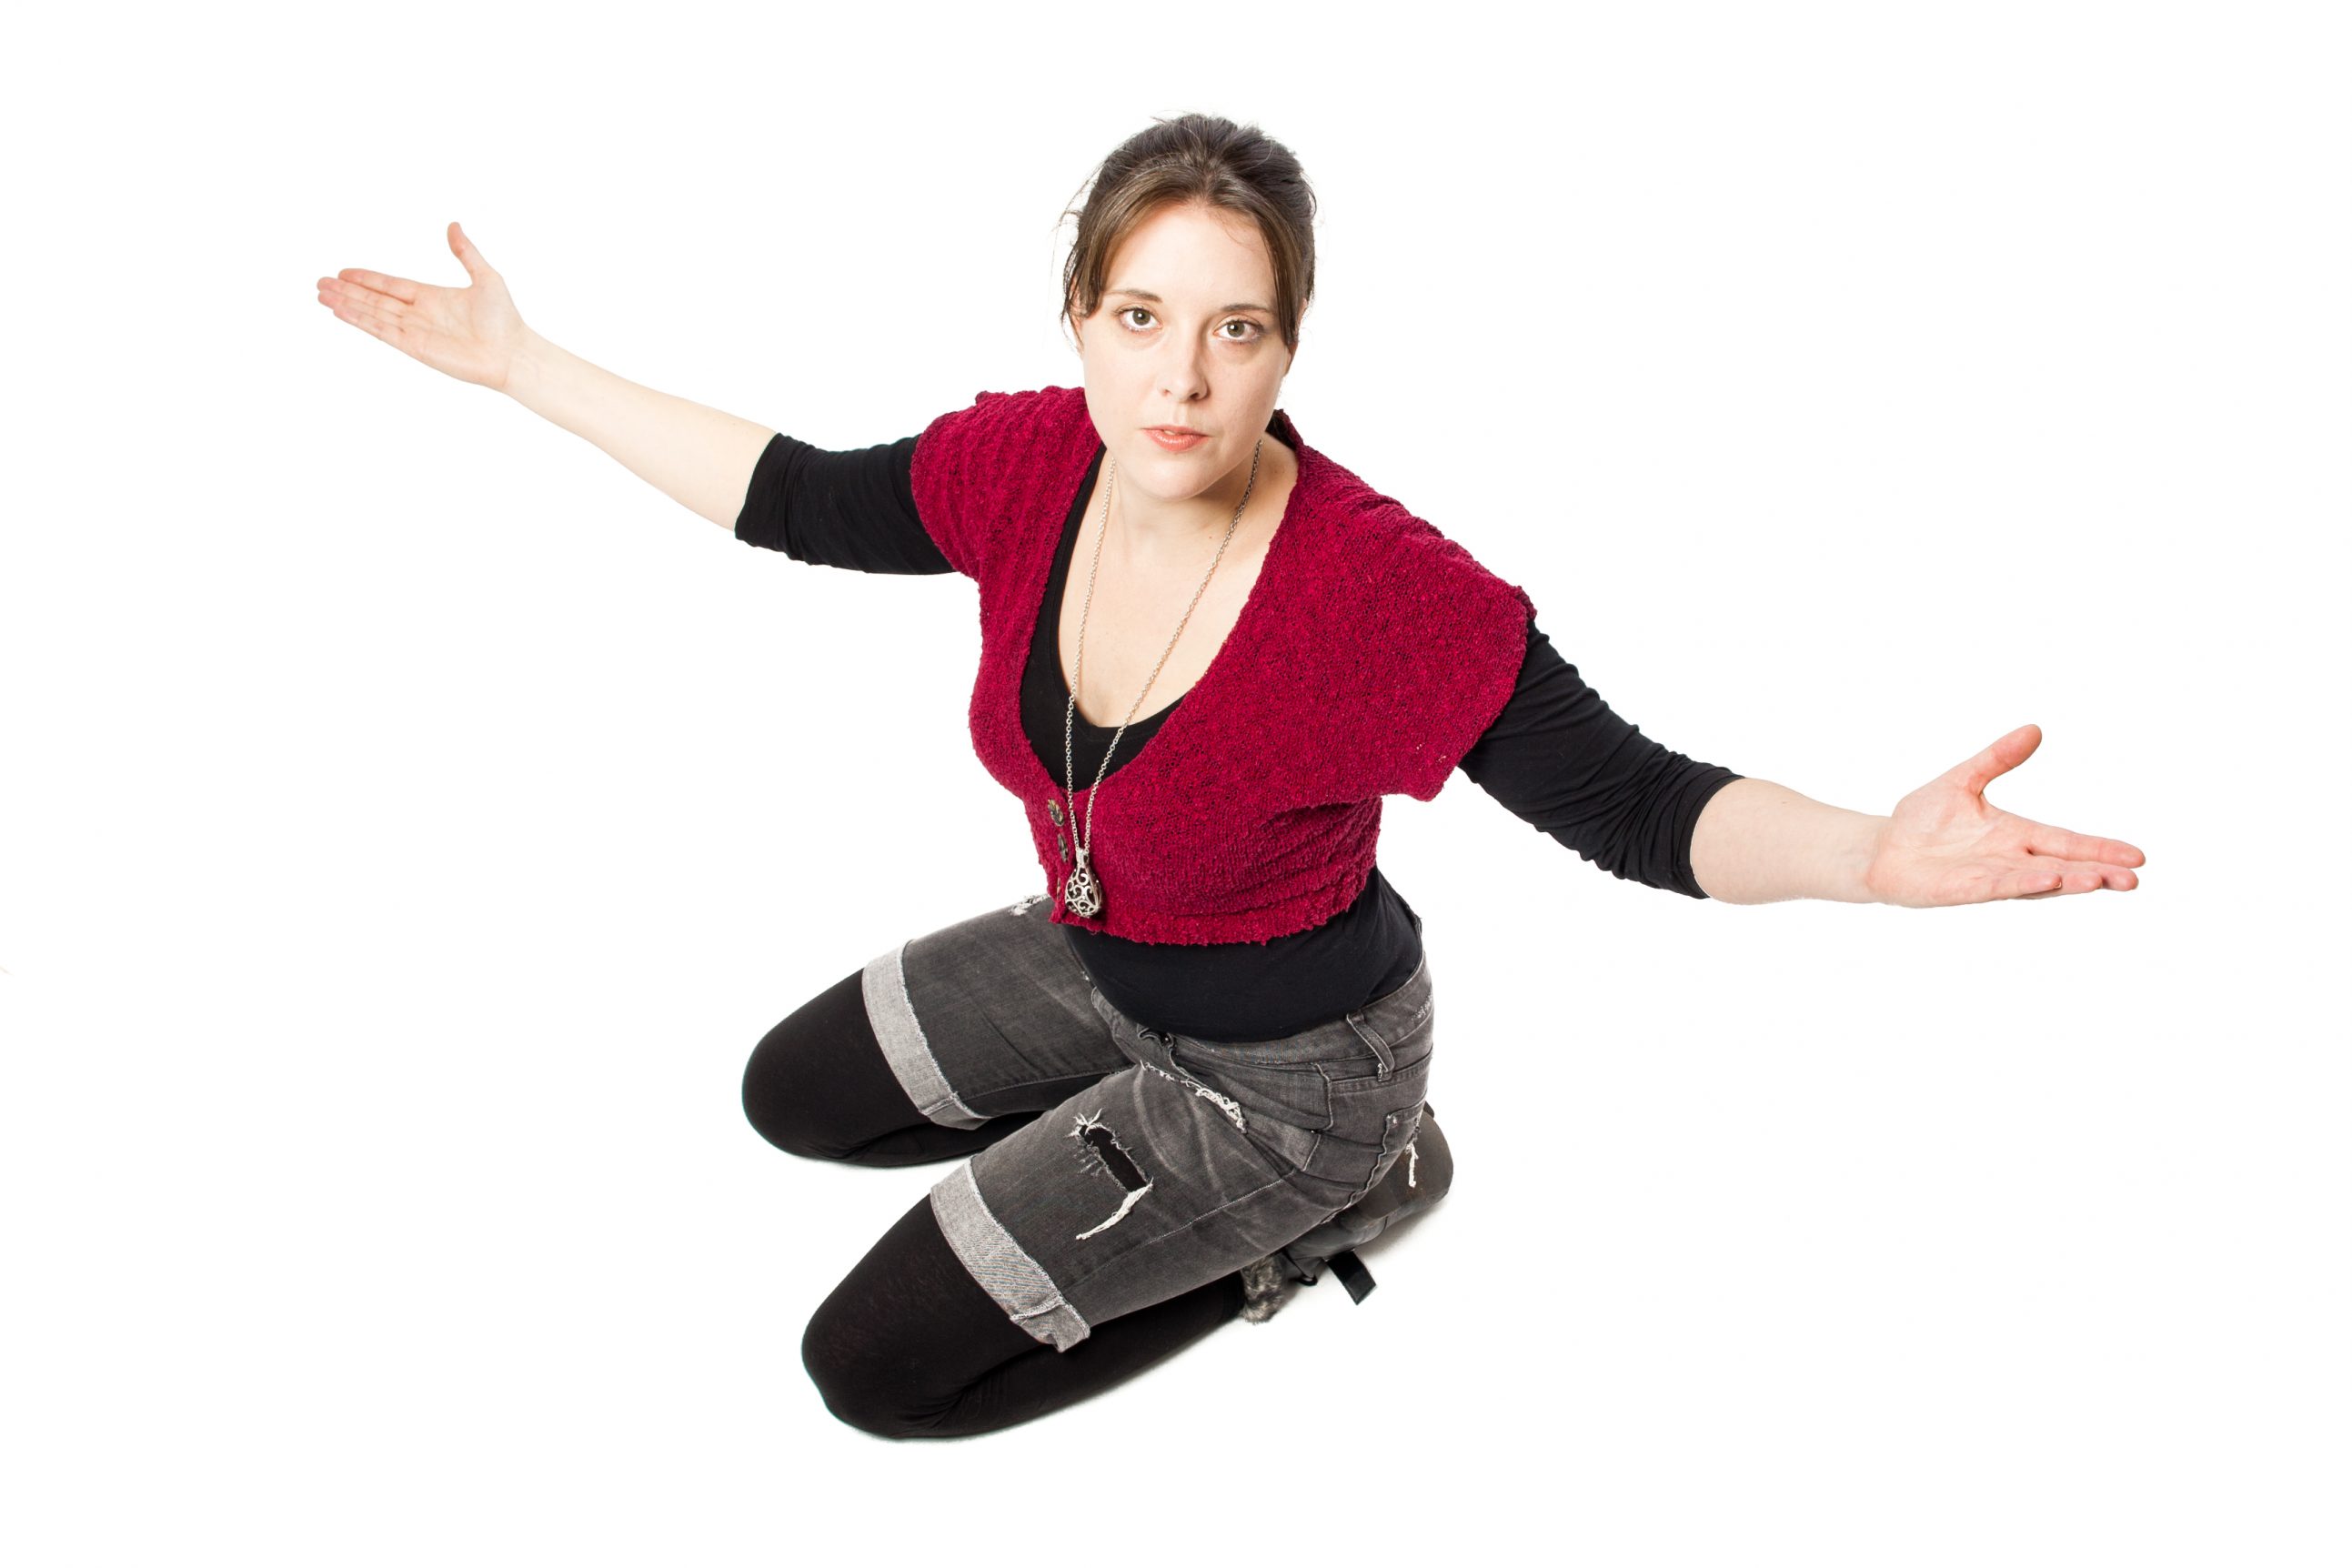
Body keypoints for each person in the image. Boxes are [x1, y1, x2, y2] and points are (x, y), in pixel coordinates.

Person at [315, 113, 2146, 1441]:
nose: (1180, 380)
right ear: (1078, 318)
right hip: (1106, 951)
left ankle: (1345, 1193)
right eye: (1140, 317)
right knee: (789, 1098)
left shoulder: (1382, 598)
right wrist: (523, 367)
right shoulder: (1024, 465)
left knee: (871, 1375)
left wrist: (1872, 855)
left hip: (1295, 1069)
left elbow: (1643, 806)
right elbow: (792, 495)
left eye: (1236, 329)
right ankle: (1121, 1115)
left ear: (1288, 343)